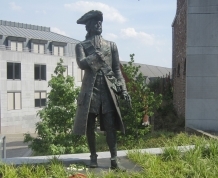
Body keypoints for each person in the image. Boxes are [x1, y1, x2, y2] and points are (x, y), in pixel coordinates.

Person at [73, 10, 130, 170]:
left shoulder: (111, 46)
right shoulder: (81, 46)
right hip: (90, 92)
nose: (99, 24)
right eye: (95, 22)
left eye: (100, 22)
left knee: (110, 126)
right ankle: (93, 157)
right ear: (88, 26)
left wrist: (123, 90)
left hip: (108, 92)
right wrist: (95, 56)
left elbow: (117, 70)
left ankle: (114, 159)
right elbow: (82, 64)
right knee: (89, 125)